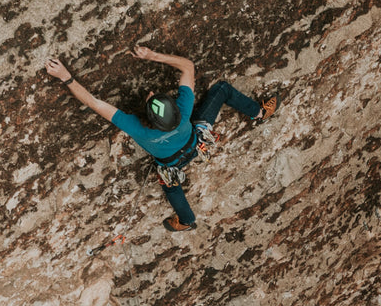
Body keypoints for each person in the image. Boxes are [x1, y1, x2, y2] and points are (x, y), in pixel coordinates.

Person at [44, 46, 276, 232]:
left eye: (152, 97)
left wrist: (66, 77)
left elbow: (93, 102)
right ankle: (258, 112)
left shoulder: (138, 128)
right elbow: (188, 67)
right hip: (196, 142)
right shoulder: (183, 109)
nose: (152, 92)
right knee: (222, 89)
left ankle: (186, 220)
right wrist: (152, 55)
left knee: (170, 184)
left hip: (172, 163)